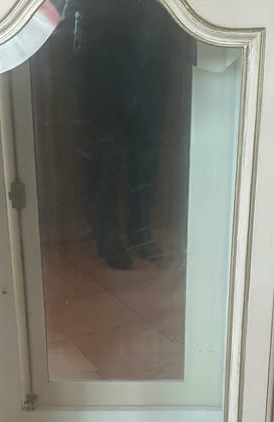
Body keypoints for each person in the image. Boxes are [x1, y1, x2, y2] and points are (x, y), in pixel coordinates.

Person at [68, 0, 172, 269]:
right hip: (101, 37)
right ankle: (106, 236)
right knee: (106, 147)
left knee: (148, 144)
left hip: (153, 34)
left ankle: (140, 230)